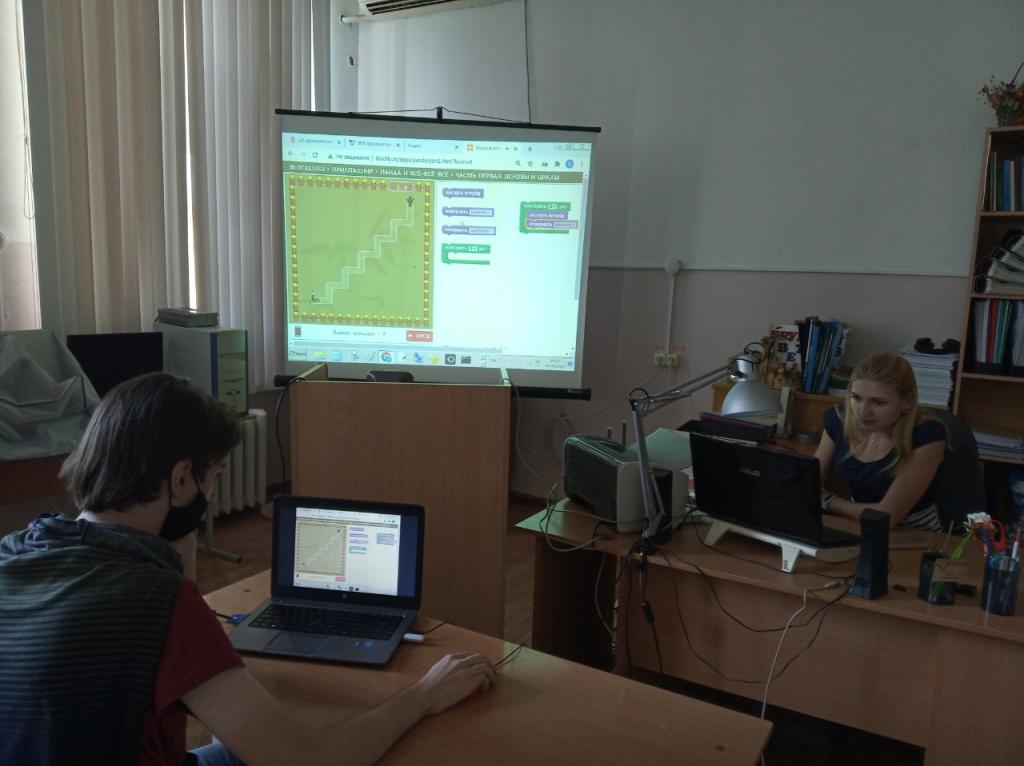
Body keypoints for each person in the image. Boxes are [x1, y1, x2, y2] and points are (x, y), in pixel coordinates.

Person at [0, 373, 495, 766]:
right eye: (213, 476)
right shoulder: (158, 603)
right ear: (180, 479)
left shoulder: (13, 553)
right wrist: (422, 696)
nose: (212, 495)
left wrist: (178, 562)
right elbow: (308, 761)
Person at [814, 352, 946, 531]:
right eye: (856, 398)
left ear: (906, 402)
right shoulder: (840, 419)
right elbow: (810, 480)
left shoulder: (927, 434)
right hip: (858, 525)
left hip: (914, 534)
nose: (863, 412)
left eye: (878, 402)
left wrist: (830, 502)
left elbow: (887, 516)